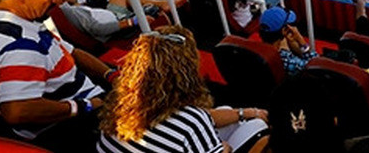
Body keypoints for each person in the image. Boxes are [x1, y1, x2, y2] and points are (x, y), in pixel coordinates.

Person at [0, 0, 111, 150]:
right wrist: (86, 105)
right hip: (70, 126)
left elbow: (71, 52)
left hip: (84, 99)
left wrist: (110, 74)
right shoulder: (20, 45)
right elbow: (17, 110)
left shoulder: (22, 23)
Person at [98, 25, 269, 153]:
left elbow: (202, 118)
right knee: (259, 128)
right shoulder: (191, 121)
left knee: (226, 111)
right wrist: (225, 149)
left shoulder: (120, 102)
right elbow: (193, 122)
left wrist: (246, 112)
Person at [258, 7, 317, 77]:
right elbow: (317, 67)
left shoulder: (258, 51)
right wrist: (302, 42)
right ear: (285, 30)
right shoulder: (289, 61)